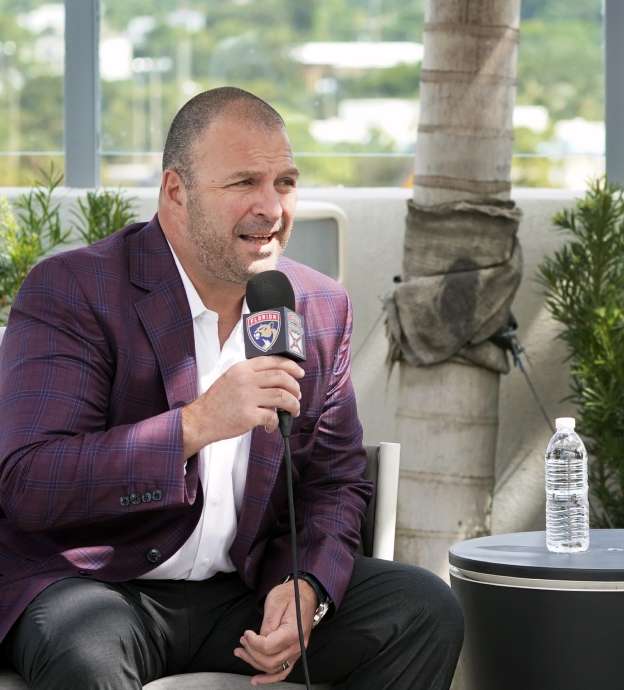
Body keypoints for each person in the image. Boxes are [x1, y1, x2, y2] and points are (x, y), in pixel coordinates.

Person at [0, 87, 463, 689]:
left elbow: (336, 481)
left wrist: (308, 587)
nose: (271, 207)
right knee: (86, 652)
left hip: (239, 594)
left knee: (421, 610)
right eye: (244, 183)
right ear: (176, 192)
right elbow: (31, 480)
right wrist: (196, 425)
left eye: (286, 183)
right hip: (93, 586)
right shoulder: (76, 290)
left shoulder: (316, 306)